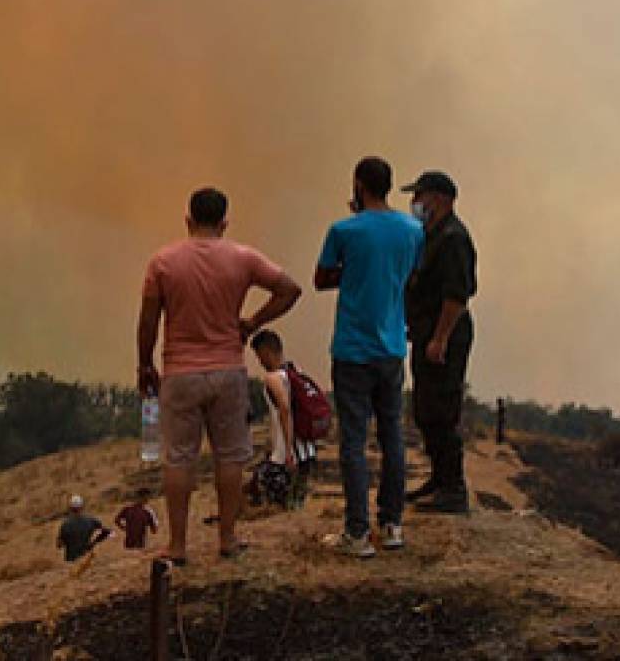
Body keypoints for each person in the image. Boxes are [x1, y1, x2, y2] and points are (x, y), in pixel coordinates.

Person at [137, 186, 303, 563]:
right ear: (224, 222)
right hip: (229, 370)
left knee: (179, 459)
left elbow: (148, 320)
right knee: (230, 458)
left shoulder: (163, 262)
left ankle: (178, 546)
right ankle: (227, 539)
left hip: (180, 372)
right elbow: (290, 289)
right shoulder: (243, 258)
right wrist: (252, 323)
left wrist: (145, 364)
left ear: (188, 219)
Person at [315, 156, 423, 557]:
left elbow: (321, 278)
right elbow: (411, 275)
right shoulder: (413, 231)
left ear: (359, 185)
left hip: (352, 350)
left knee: (354, 442)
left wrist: (355, 267)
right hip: (393, 348)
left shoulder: (343, 230)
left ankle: (357, 533)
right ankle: (392, 525)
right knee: (393, 437)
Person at [401, 169, 478, 514]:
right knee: (425, 409)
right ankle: (439, 478)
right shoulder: (429, 236)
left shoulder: (453, 238)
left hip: (444, 335)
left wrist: (440, 338)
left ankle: (453, 489)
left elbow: (456, 296)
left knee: (442, 410)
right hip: (425, 333)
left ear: (440, 199)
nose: (415, 203)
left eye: (420, 195)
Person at [249, 329, 317, 509]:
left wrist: (287, 451)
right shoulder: (295, 372)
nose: (260, 362)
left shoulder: (273, 378)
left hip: (286, 455)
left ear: (266, 352)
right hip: (306, 451)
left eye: (259, 356)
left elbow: (285, 410)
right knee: (295, 502)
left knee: (260, 495)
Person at [57, 495, 110, 563]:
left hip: (71, 560)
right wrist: (95, 542)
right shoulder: (91, 520)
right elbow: (107, 532)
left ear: (70, 508)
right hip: (87, 557)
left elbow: (59, 545)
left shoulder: (65, 525)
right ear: (82, 507)